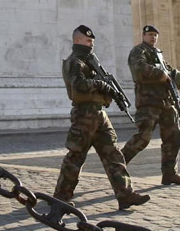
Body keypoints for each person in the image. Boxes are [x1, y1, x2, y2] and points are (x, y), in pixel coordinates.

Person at [53, 25, 150, 210]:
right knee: (76, 156)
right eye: (88, 41)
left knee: (113, 154)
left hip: (99, 114)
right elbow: (78, 85)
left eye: (92, 42)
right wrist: (102, 85)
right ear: (77, 41)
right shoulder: (75, 62)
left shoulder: (91, 61)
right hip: (84, 115)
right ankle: (60, 198)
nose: (91, 44)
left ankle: (125, 194)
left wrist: (109, 87)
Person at [121, 25, 180, 186]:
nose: (153, 37)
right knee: (142, 138)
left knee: (173, 138)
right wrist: (161, 75)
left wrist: (177, 84)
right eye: (150, 34)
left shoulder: (158, 54)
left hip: (166, 102)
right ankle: (116, 166)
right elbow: (139, 69)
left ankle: (170, 174)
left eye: (155, 35)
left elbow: (171, 75)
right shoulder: (138, 51)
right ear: (143, 35)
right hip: (148, 102)